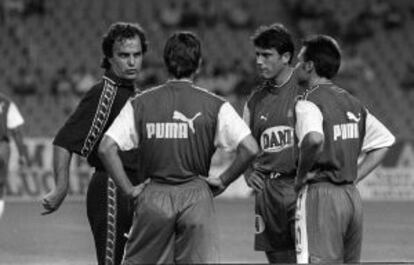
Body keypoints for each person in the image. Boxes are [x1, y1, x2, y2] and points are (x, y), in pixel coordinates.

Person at [98, 31, 259, 264]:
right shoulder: (216, 105)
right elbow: (250, 148)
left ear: (166, 63)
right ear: (199, 65)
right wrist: (224, 179)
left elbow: (106, 148)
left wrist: (129, 190)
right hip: (196, 194)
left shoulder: (140, 103)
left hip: (154, 194)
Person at [41, 22, 149, 265]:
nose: (132, 62)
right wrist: (60, 188)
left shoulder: (138, 95)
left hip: (138, 190)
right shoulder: (104, 93)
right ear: (109, 58)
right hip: (112, 189)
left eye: (137, 55)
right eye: (123, 55)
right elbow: (64, 140)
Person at [293, 35, 395, 263]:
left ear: (310, 66)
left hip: (321, 196)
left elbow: (314, 139)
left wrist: (300, 176)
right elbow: (385, 141)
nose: (296, 67)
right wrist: (354, 176)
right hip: (351, 197)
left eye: (299, 61)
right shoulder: (352, 102)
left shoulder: (308, 101)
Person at [243, 23, 301, 263]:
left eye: (266, 55)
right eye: (257, 54)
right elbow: (243, 144)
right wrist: (247, 171)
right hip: (268, 193)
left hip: (300, 187)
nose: (259, 61)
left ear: (286, 57)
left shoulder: (307, 89)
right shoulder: (255, 100)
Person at [0, 92, 29, 219]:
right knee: (0, 183)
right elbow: (16, 131)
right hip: (1, 146)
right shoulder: (6, 102)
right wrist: (22, 154)